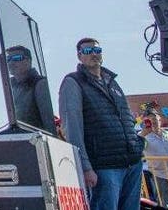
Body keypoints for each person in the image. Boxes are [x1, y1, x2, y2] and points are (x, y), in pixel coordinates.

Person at [58, 37, 144, 210]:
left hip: (132, 163)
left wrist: (138, 144)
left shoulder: (112, 82)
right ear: (79, 56)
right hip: (104, 168)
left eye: (97, 50)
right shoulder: (73, 83)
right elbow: (72, 128)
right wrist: (85, 167)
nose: (94, 55)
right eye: (88, 51)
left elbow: (126, 119)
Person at [6, 45, 56, 133]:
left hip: (37, 142)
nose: (11, 63)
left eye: (16, 58)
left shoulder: (39, 83)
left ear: (28, 61)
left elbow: (49, 124)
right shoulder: (11, 88)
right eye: (8, 59)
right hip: (19, 141)